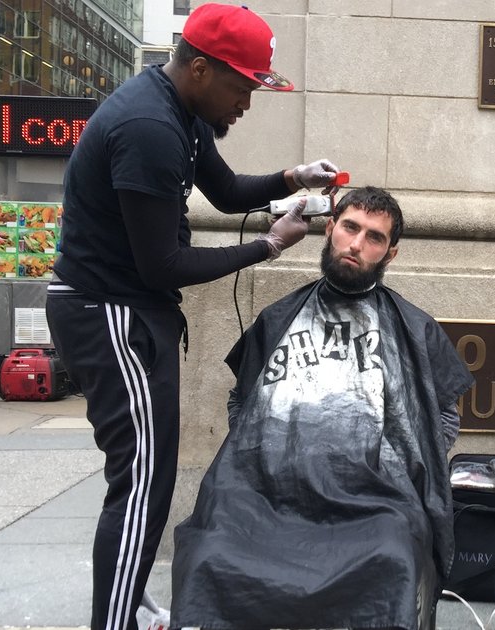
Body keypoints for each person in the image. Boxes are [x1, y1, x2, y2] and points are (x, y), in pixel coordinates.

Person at [44, 5, 342, 630]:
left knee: (149, 477)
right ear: (201, 68)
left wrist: (292, 176)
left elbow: (229, 191)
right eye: (242, 88)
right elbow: (164, 265)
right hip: (112, 314)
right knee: (142, 484)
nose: (247, 103)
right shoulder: (150, 126)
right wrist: (268, 246)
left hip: (128, 311)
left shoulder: (182, 109)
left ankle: (124, 602)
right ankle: (115, 620)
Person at [170, 186, 474, 630]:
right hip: (263, 494)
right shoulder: (278, 319)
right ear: (330, 229)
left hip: (375, 501)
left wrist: (398, 465)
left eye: (374, 237)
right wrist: (266, 454)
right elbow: (242, 402)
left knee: (392, 554)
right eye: (350, 227)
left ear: (390, 254)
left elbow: (444, 416)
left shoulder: (415, 329)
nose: (356, 243)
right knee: (211, 551)